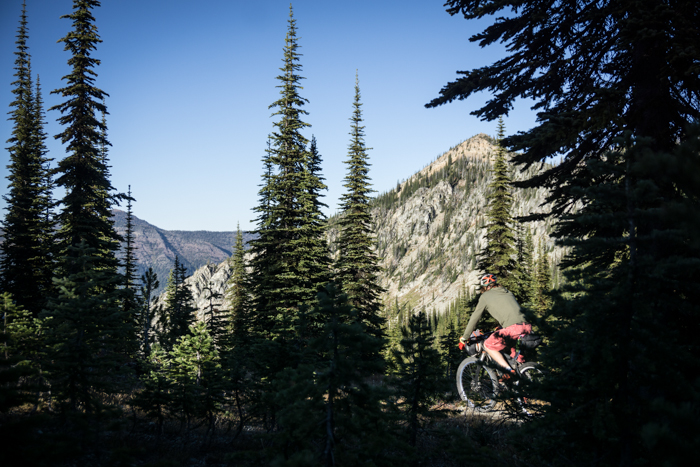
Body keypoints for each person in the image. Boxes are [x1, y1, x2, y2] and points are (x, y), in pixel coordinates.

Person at [459, 274, 531, 375]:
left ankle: (508, 371)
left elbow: (475, 318)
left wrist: (465, 337)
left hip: (513, 329)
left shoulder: (485, 296)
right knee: (515, 357)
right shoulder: (507, 292)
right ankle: (521, 372)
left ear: (486, 287)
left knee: (488, 345)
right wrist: (503, 327)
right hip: (527, 326)